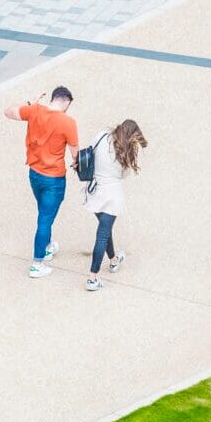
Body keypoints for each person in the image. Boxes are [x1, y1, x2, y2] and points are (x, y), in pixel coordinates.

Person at [6, 87, 79, 279]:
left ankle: (47, 246)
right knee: (45, 219)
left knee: (44, 213)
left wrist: (31, 103)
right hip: (54, 178)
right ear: (66, 102)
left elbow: (9, 112)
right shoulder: (68, 122)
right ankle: (37, 263)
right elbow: (75, 154)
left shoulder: (34, 110)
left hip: (34, 173)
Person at [83, 118, 146, 292]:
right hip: (112, 196)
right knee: (102, 234)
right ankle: (92, 277)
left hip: (94, 192)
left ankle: (113, 260)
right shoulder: (127, 151)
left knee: (105, 228)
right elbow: (123, 175)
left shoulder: (101, 136)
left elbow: (90, 152)